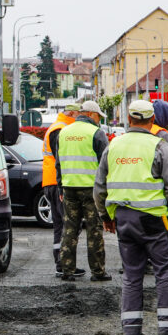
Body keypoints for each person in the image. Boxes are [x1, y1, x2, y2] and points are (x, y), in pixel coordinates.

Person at [94, 100, 168, 335]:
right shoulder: (159, 145)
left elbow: (99, 188)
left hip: (124, 219)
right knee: (165, 272)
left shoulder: (113, 146)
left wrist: (106, 217)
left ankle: (132, 331)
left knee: (131, 274)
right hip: (155, 219)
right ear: (152, 120)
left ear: (129, 118)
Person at [56, 99, 111, 282]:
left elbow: (58, 164)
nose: (99, 120)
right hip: (91, 190)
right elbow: (105, 165)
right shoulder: (96, 133)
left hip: (69, 187)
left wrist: (60, 186)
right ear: (90, 114)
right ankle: (98, 271)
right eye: (98, 116)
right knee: (94, 230)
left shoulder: (64, 132)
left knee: (69, 228)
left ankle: (66, 270)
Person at [41, 102, 83, 277]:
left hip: (49, 182)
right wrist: (61, 186)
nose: (79, 118)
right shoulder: (61, 130)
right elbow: (61, 161)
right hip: (58, 183)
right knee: (70, 224)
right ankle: (65, 263)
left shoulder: (57, 127)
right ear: (72, 113)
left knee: (59, 224)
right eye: (78, 114)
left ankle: (60, 261)